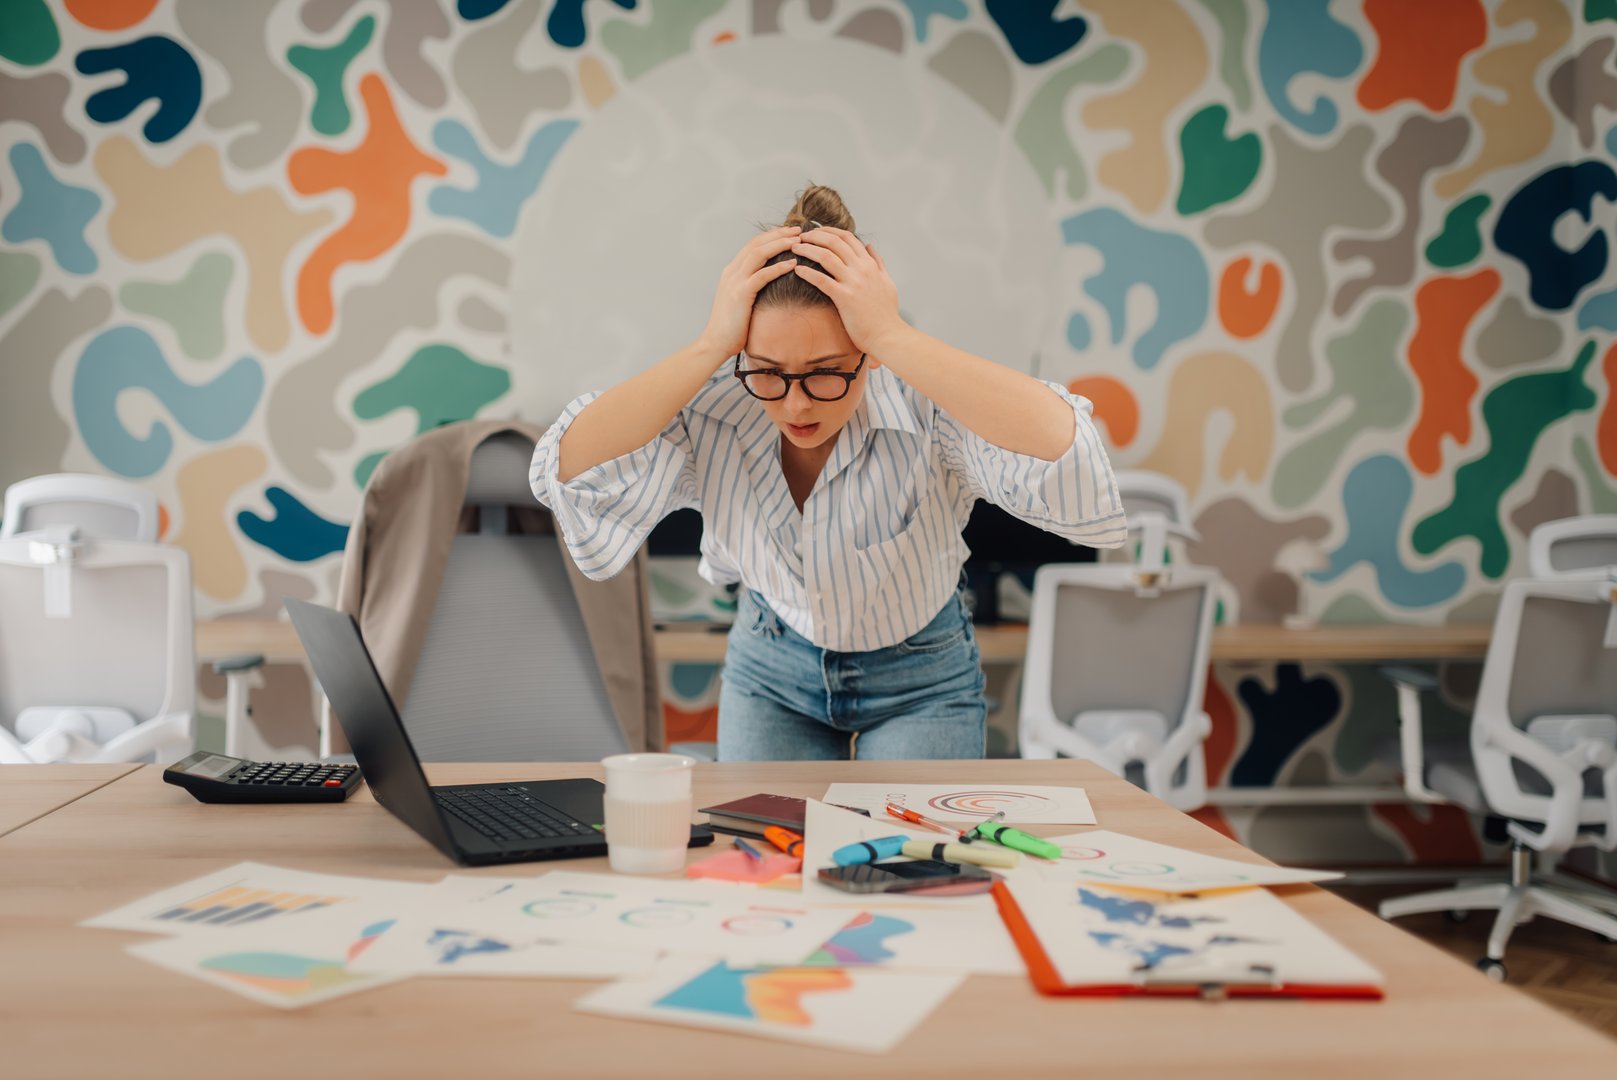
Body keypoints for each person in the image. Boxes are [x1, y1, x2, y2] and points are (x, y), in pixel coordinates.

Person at [531, 184, 1126, 760]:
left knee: (913, 863)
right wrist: (711, 343)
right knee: (762, 858)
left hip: (922, 675)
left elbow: (1069, 453)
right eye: (767, 371)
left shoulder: (921, 400)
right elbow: (567, 469)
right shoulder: (716, 404)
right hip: (769, 668)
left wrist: (891, 332)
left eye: (826, 371)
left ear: (866, 353)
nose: (795, 406)